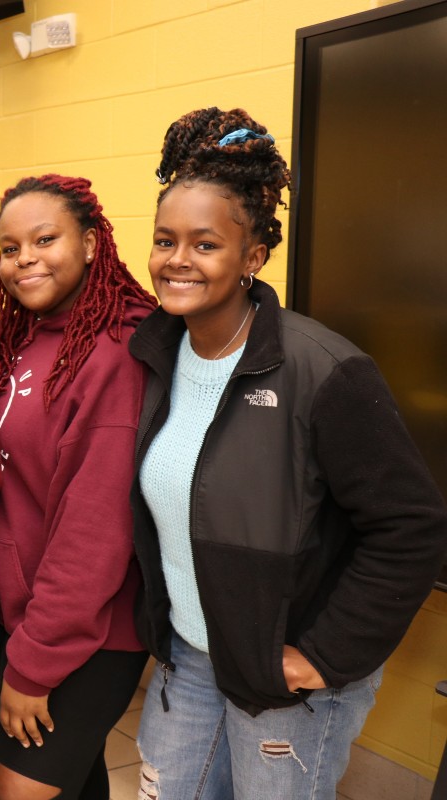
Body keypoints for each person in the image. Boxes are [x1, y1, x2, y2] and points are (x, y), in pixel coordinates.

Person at [130, 106, 447, 799]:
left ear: (253, 256)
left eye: (205, 244)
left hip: (285, 681)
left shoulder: (323, 369)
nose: (177, 259)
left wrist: (321, 657)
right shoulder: (151, 353)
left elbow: (412, 527)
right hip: (190, 658)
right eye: (164, 240)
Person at [0, 174, 155, 800]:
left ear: (89, 243)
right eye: (9, 247)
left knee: (19, 787)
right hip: (19, 615)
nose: (24, 258)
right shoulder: (19, 338)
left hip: (85, 631)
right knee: (75, 783)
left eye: (44, 239)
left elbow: (94, 529)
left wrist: (34, 663)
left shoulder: (115, 352)